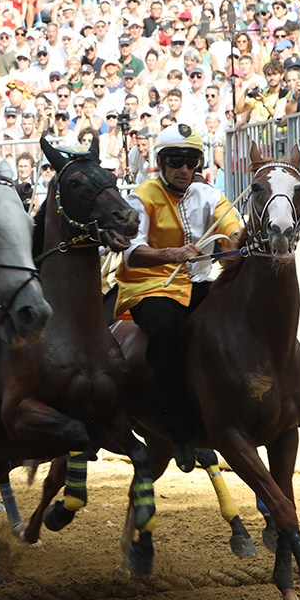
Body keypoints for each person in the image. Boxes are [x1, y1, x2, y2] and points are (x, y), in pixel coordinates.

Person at [113, 125, 242, 473]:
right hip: (148, 287)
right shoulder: (142, 196)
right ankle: (177, 427)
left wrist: (235, 242)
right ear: (160, 163)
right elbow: (131, 253)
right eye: (175, 161)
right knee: (168, 326)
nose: (183, 169)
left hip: (198, 283)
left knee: (242, 316)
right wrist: (171, 253)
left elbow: (234, 227)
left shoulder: (210, 194)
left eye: (190, 161)